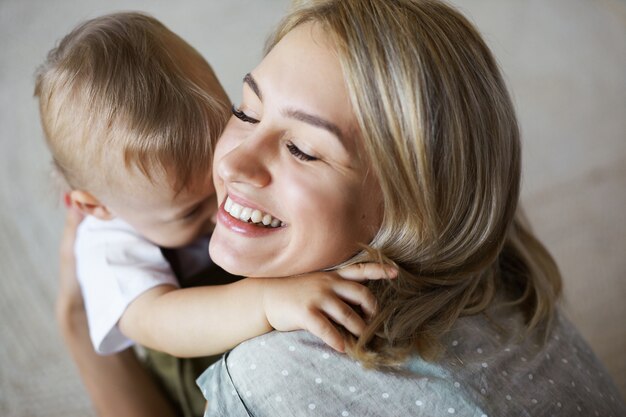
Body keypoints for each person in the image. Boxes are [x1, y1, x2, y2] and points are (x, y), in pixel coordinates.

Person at [193, 0, 626, 415]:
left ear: (410, 207)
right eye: (246, 113)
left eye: (302, 150)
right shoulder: (507, 275)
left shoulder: (272, 376)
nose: (234, 162)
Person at [37, 12, 391, 417]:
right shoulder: (105, 243)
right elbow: (158, 322)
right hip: (192, 373)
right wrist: (265, 301)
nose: (223, 204)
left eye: (241, 114)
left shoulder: (213, 165)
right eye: (190, 211)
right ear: (94, 206)